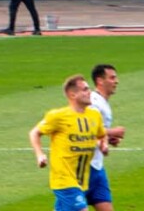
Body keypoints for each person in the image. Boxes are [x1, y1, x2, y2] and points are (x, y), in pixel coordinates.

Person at [31, 74, 107, 211]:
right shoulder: (58, 116)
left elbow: (102, 134)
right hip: (63, 180)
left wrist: (104, 144)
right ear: (73, 95)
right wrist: (39, 155)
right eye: (85, 89)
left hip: (81, 180)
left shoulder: (94, 115)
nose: (89, 92)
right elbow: (34, 133)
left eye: (88, 88)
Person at [85, 65, 125, 211]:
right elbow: (87, 130)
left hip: (97, 167)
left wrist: (108, 138)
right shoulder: (93, 103)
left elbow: (99, 132)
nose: (116, 81)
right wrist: (114, 131)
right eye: (112, 78)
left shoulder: (102, 102)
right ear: (100, 81)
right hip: (83, 167)